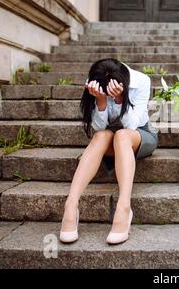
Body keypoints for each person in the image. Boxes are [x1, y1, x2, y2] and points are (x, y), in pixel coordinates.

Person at [59, 58, 158, 245]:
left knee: (121, 135)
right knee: (101, 136)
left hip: (140, 135)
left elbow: (132, 125)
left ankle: (124, 207)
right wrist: (101, 100)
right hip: (109, 137)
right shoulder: (95, 81)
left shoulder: (141, 81)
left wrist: (121, 100)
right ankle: (71, 206)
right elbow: (98, 127)